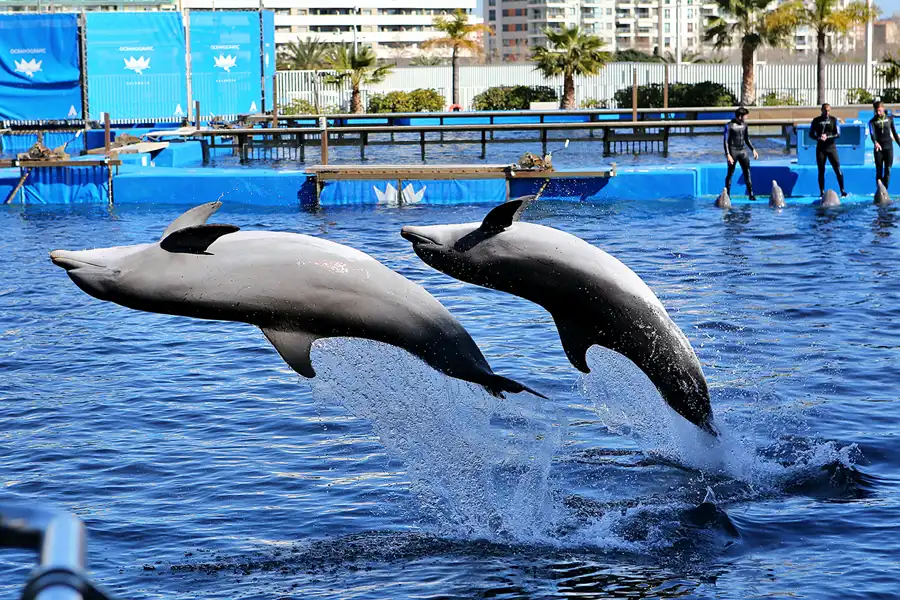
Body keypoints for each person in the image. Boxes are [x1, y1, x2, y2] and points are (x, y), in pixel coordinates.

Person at [810, 103, 847, 197]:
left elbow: (838, 134)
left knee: (837, 169)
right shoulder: (816, 120)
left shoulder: (833, 120)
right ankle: (822, 191)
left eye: (829, 111)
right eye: (825, 110)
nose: (827, 112)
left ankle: (842, 190)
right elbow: (810, 134)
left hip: (831, 148)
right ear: (821, 110)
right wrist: (818, 137)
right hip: (821, 148)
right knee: (821, 170)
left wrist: (828, 136)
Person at [723, 106, 758, 200]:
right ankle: (727, 195)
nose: (746, 118)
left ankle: (751, 194)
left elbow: (747, 139)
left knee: (747, 172)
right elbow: (725, 141)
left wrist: (753, 149)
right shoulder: (729, 126)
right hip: (733, 152)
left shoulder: (745, 125)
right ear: (740, 116)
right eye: (745, 116)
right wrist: (728, 155)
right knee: (730, 174)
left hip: (742, 151)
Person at [868, 100, 900, 187]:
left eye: (879, 110)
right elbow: (872, 133)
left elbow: (894, 133)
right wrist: (875, 142)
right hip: (879, 149)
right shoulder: (872, 122)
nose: (878, 113)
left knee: (888, 171)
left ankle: (885, 190)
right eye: (876, 111)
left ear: (883, 109)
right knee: (879, 171)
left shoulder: (889, 119)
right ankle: (879, 189)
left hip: (888, 148)